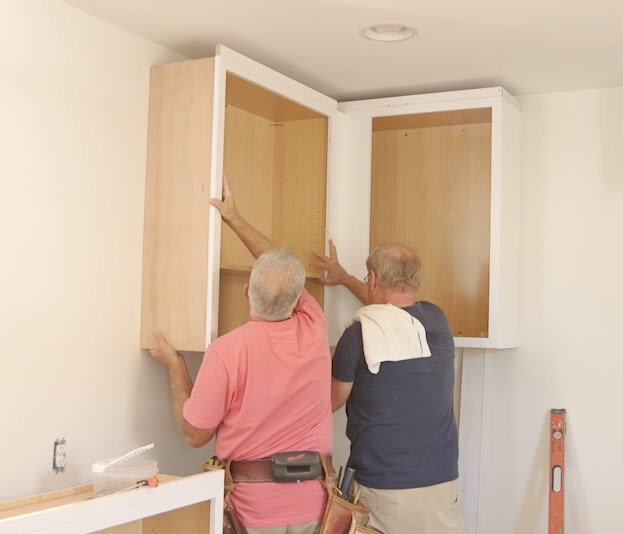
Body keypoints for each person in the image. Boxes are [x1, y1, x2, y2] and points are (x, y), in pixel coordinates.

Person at [149, 176, 333, 533]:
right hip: (314, 509)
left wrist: (176, 366)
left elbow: (194, 433)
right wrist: (235, 218)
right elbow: (282, 267)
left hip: (254, 515)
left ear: (247, 291)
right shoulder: (314, 325)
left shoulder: (226, 352)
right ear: (298, 300)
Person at [312, 240, 463, 534]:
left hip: (386, 490)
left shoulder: (357, 337)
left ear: (374, 279)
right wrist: (344, 278)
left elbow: (328, 403)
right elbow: (392, 312)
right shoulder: (438, 321)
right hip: (443, 486)